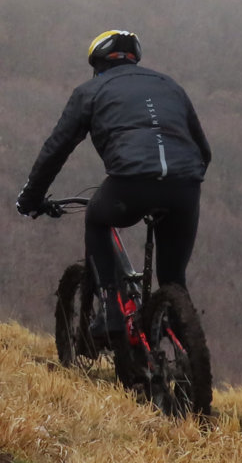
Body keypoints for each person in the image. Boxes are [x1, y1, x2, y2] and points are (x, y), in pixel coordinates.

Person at [16, 30, 210, 340]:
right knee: (173, 278)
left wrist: (30, 199)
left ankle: (110, 311)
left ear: (97, 64)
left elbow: (56, 149)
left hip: (131, 185)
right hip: (185, 187)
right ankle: (183, 349)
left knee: (96, 217)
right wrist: (178, 180)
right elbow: (204, 151)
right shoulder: (171, 87)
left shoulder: (89, 91)